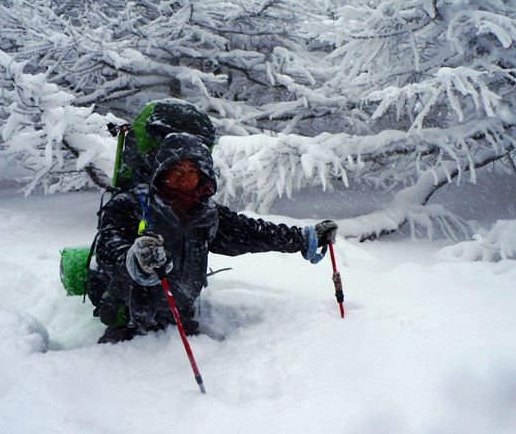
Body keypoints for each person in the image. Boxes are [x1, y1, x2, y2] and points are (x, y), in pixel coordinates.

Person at [93, 132, 338, 344]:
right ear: (161, 170)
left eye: (192, 171)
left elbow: (252, 233)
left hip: (181, 320)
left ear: (203, 176)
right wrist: (135, 260)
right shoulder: (130, 205)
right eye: (176, 169)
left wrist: (304, 238)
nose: (183, 177)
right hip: (129, 322)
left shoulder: (207, 214)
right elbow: (107, 250)